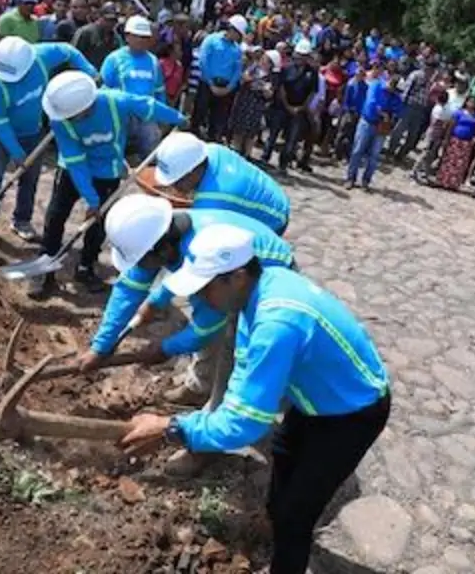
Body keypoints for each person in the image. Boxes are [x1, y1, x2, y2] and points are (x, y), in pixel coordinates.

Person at [119, 224, 390, 574]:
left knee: (296, 515)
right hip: (315, 401)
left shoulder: (277, 322)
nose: (199, 298)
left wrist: (170, 427)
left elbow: (243, 424)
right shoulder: (260, 289)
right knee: (283, 462)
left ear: (237, 276)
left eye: (205, 287)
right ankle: (275, 532)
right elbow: (245, 390)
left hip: (353, 412)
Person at [80, 195, 295, 466]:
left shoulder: (200, 254)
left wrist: (165, 348)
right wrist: (101, 346)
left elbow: (207, 327)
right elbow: (129, 289)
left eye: (143, 261)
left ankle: (209, 441)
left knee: (235, 353)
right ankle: (200, 386)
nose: (141, 268)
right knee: (215, 332)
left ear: (162, 250)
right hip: (228, 272)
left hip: (263, 274)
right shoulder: (159, 233)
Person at [34, 72, 186, 297]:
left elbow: (148, 106)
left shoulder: (116, 102)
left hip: (108, 171)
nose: (70, 119)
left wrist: (177, 118)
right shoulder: (60, 120)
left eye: (75, 115)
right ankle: (45, 268)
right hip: (72, 171)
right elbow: (76, 162)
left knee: (99, 223)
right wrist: (91, 199)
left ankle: (86, 267)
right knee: (56, 215)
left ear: (87, 105)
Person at [0, 38, 98, 240]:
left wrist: (89, 71)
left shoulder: (41, 56)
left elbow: (69, 51)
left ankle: (21, 220)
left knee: (30, 179)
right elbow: (1, 123)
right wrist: (16, 152)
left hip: (32, 131)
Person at [151, 131, 291, 234]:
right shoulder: (211, 149)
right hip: (274, 194)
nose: (174, 187)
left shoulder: (213, 200)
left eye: (177, 181)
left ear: (192, 171)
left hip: (274, 219)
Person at [101, 15, 166, 159]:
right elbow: (103, 89)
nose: (141, 41)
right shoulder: (114, 59)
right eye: (138, 36)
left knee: (151, 154)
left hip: (146, 115)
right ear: (127, 36)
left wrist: (162, 116)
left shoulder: (153, 61)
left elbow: (159, 91)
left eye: (145, 37)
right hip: (120, 114)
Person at [263, 39, 319, 172]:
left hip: (299, 110)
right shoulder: (287, 68)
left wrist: (301, 107)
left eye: (304, 55)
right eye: (299, 55)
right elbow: (282, 88)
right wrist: (287, 105)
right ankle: (265, 158)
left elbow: (312, 92)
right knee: (273, 134)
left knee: (291, 139)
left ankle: (283, 164)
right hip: (282, 107)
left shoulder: (312, 72)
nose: (301, 58)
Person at [344, 64, 402, 190]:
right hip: (367, 122)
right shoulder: (376, 85)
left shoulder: (396, 96)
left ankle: (366, 180)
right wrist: (383, 113)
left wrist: (389, 116)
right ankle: (350, 178)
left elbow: (398, 110)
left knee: (374, 155)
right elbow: (371, 103)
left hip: (381, 128)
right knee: (357, 150)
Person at [194, 15, 246, 141]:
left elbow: (237, 70)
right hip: (207, 84)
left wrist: (229, 88)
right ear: (232, 30)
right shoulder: (211, 40)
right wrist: (211, 83)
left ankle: (211, 141)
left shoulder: (237, 49)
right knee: (199, 113)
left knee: (217, 119)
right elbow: (203, 61)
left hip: (225, 87)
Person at [229, 47, 273, 156]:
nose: (263, 61)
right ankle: (235, 153)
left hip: (256, 109)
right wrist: (257, 83)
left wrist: (262, 88)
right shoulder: (253, 68)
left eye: (267, 60)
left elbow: (269, 94)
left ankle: (246, 156)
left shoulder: (271, 77)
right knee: (238, 132)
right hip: (244, 103)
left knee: (250, 135)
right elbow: (245, 77)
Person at [436, 95, 475, 190]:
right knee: (450, 160)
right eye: (470, 101)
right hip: (455, 139)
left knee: (460, 164)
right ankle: (443, 180)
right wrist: (446, 138)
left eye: (473, 102)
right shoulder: (459, 113)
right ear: (466, 102)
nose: (471, 104)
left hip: (467, 142)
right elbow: (451, 126)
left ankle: (453, 184)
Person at [411, 89, 451, 183]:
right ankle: (414, 170)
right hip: (433, 134)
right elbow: (436, 121)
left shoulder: (441, 109)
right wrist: (444, 123)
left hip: (436, 134)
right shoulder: (438, 109)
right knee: (425, 153)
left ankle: (424, 172)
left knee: (430, 154)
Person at [71, 3, 124, 70]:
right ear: (100, 17)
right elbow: (73, 56)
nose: (110, 23)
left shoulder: (116, 38)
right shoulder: (85, 32)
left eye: (114, 20)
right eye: (107, 20)